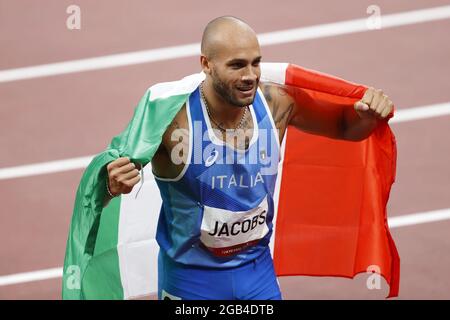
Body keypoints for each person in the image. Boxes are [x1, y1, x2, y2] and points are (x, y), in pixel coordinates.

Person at [103, 16, 393, 300]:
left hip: (257, 272)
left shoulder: (276, 104)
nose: (250, 75)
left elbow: (344, 126)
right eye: (237, 65)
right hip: (190, 279)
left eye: (256, 62)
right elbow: (113, 173)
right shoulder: (171, 121)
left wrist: (367, 116)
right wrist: (112, 184)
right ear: (206, 64)